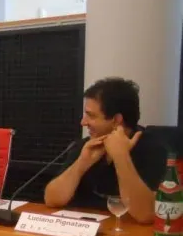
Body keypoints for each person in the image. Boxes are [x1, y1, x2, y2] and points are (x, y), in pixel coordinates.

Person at [44, 77, 167, 224]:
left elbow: (146, 214)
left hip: (130, 233)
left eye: (91, 115)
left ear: (116, 120)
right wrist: (81, 164)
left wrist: (121, 156)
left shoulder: (152, 148)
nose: (83, 122)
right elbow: (51, 200)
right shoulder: (86, 146)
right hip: (84, 230)